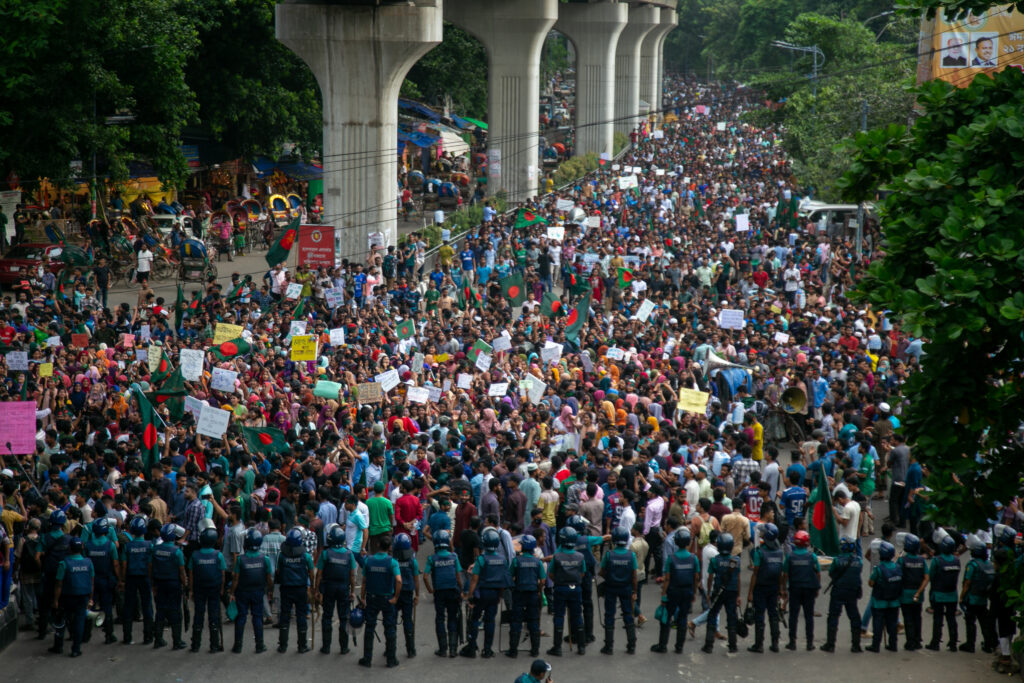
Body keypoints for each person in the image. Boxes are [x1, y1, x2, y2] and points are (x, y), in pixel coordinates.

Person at [651, 527, 698, 654]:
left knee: (666, 618)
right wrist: (693, 593)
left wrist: (663, 595)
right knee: (682, 618)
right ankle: (679, 647)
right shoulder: (694, 558)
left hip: (673, 591)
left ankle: (662, 645)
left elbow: (667, 579)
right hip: (687, 591)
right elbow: (696, 577)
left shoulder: (671, 559)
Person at [462, 527, 508, 658]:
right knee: (490, 621)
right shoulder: (502, 559)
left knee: (475, 619)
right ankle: (487, 650)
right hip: (494, 594)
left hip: (481, 594)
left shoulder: (481, 559)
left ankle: (471, 647)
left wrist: (470, 596)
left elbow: (474, 579)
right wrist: (500, 595)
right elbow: (503, 581)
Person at [359, 535, 402, 668]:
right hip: (387, 598)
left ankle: (367, 659)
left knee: (370, 628)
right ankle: (391, 659)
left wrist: (362, 597)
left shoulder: (368, 561)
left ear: (377, 545)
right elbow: (399, 580)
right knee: (390, 628)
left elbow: (364, 581)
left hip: (372, 598)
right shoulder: (392, 562)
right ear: (389, 548)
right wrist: (395, 597)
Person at [229, 528, 273, 654]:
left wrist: (232, 592)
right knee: (257, 617)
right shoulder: (265, 559)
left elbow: (236, 579)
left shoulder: (240, 559)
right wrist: (270, 590)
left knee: (241, 617)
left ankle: (238, 645)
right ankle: (259, 645)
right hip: (258, 591)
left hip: (242, 592)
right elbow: (269, 578)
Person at [315, 524, 356, 655]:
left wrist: (317, 590)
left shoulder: (326, 554)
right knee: (344, 617)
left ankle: (326, 647)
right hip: (343, 588)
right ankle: (344, 647)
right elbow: (352, 575)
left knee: (327, 616)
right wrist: (353, 591)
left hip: (328, 588)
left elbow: (319, 574)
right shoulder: (349, 554)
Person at [423, 529, 464, 658]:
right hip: (453, 591)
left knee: (440, 619)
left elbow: (425, 576)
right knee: (452, 618)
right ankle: (453, 649)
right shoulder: (454, 557)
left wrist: (430, 590)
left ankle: (443, 649)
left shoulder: (432, 558)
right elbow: (458, 577)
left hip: (439, 592)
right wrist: (462, 591)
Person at [50, 536, 93, 657]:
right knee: (79, 621)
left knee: (61, 620)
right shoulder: (88, 563)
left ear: (70, 548)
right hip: (83, 596)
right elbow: (91, 582)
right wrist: (91, 598)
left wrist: (55, 601)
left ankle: (58, 645)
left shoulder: (64, 564)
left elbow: (58, 584)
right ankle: (76, 648)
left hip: (67, 597)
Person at [546, 526, 585, 657]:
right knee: (577, 615)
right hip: (576, 588)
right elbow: (582, 573)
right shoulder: (580, 556)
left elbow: (550, 573)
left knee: (558, 616)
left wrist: (559, 580)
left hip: (560, 588)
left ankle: (557, 648)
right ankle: (581, 646)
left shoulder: (557, 556)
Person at [598, 526, 637, 654]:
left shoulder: (609, 555)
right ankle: (631, 645)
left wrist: (610, 577)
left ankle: (608, 646)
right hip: (626, 588)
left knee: (609, 615)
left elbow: (601, 572)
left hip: (611, 588)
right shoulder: (631, 555)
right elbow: (634, 575)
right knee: (628, 614)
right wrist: (634, 591)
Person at [746, 522, 783, 653]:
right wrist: (781, 590)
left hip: (761, 587)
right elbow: (780, 573)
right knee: (774, 615)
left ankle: (759, 644)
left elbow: (755, 573)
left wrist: (750, 593)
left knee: (759, 616)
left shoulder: (759, 552)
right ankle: (775, 644)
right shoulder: (779, 552)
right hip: (774, 588)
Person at [276, 527, 314, 653]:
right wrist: (312, 587)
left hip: (286, 589)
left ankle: (282, 646)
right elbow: (311, 573)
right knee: (301, 616)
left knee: (285, 616)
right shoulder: (306, 556)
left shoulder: (282, 556)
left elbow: (278, 572)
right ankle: (302, 645)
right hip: (301, 589)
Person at [188, 526, 225, 653]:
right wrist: (222, 588)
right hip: (214, 588)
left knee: (199, 614)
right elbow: (222, 573)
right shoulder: (218, 555)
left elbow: (191, 574)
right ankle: (214, 645)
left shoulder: (195, 555)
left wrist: (191, 590)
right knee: (214, 615)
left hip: (199, 589)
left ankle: (195, 645)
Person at [822, 536, 863, 653]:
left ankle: (830, 644)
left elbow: (831, 573)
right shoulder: (858, 561)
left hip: (838, 591)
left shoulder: (837, 560)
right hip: (852, 592)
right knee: (854, 617)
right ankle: (856, 645)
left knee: (833, 616)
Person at [507, 533, 545, 658]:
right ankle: (535, 650)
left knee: (516, 621)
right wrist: (539, 590)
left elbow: (509, 576)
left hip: (519, 593)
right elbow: (543, 580)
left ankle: (513, 651)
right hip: (533, 594)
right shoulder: (537, 561)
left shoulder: (517, 561)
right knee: (533, 622)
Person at [702, 533, 741, 654]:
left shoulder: (715, 560)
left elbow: (710, 578)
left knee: (712, 615)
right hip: (732, 591)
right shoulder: (736, 560)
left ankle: (708, 645)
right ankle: (733, 645)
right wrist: (739, 595)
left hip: (718, 591)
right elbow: (738, 578)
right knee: (731, 617)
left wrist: (708, 593)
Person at [781, 529, 819, 651]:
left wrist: (783, 589)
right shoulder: (812, 556)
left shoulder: (790, 556)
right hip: (809, 589)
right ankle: (809, 643)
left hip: (795, 588)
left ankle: (792, 642)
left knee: (793, 616)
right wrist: (817, 587)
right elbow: (817, 572)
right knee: (809, 616)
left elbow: (785, 574)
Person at [83, 517, 120, 645]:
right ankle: (109, 635)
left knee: (89, 606)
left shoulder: (88, 545)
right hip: (106, 580)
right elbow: (115, 564)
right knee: (107, 607)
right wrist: (119, 579)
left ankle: (85, 635)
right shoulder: (110, 545)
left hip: (91, 581)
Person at [151, 523, 188, 650]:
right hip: (173, 584)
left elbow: (151, 567)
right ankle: (177, 641)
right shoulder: (177, 552)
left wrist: (153, 584)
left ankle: (158, 639)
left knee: (160, 611)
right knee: (175, 611)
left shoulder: (155, 549)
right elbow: (182, 571)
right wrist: (185, 584)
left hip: (159, 583)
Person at [959, 537, 997, 653]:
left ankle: (970, 644)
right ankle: (988, 644)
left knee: (970, 621)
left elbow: (967, 582)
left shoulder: (973, 565)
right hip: (983, 598)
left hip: (972, 598)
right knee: (984, 622)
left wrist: (961, 597)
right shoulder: (989, 564)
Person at [923, 534, 960, 651]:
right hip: (952, 594)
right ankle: (953, 643)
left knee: (938, 619)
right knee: (951, 619)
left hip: (938, 594)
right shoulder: (956, 560)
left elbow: (931, 576)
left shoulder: (937, 561)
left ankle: (935, 642)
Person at [37, 509, 70, 643]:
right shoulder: (68, 539)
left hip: (49, 575)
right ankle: (63, 632)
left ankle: (42, 631)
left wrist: (42, 567)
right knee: (63, 605)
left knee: (45, 605)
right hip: (63, 577)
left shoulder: (45, 537)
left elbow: (37, 556)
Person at [121, 515, 154, 645]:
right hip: (144, 577)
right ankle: (148, 637)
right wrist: (151, 579)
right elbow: (151, 564)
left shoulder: (128, 546)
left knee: (128, 607)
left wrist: (122, 580)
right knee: (147, 606)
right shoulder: (149, 545)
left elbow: (123, 564)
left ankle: (127, 637)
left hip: (130, 578)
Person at [865, 540, 901, 652]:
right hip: (894, 601)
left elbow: (870, 583)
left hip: (879, 601)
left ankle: (875, 645)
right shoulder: (897, 567)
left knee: (878, 624)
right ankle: (893, 644)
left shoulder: (878, 569)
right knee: (892, 623)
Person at [392, 532, 420, 658]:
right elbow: (416, 580)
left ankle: (390, 648)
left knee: (391, 621)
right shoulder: (412, 561)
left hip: (394, 594)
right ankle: (411, 649)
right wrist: (417, 595)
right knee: (408, 621)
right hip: (408, 594)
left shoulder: (393, 561)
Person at [898, 533, 927, 651]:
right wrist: (919, 591)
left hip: (905, 593)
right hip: (918, 594)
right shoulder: (922, 560)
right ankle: (917, 640)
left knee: (908, 618)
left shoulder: (902, 560)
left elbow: (897, 574)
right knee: (917, 617)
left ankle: (910, 642)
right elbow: (926, 577)